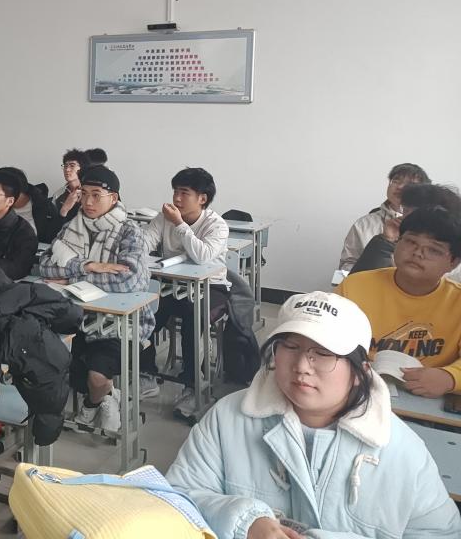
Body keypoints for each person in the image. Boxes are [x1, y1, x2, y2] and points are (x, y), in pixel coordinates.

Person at [167, 291, 460, 539]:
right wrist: (243, 522)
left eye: (323, 353)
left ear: (360, 372)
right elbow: (177, 498)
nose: (302, 366)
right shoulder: (227, 419)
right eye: (291, 347)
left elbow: (441, 534)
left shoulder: (401, 451)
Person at [38, 165, 151, 434]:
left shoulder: (129, 231)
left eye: (96, 195)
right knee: (54, 364)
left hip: (118, 323)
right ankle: (107, 396)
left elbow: (129, 280)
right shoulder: (73, 227)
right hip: (74, 317)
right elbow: (45, 266)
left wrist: (72, 277)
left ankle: (94, 402)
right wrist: (88, 266)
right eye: (84, 194)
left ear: (114, 198)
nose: (88, 202)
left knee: (97, 376)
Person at [341, 206, 461, 398]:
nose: (418, 253)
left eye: (434, 250)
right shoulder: (354, 286)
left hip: (428, 399)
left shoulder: (457, 301)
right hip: (359, 389)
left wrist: (450, 378)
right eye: (411, 242)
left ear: (453, 262)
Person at [139, 167, 230, 418]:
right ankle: (146, 374)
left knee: (192, 317)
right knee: (143, 314)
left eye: (184, 193)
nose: (177, 198)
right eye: (175, 192)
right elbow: (144, 243)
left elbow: (202, 256)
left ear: (202, 198)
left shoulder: (216, 225)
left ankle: (192, 384)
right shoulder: (164, 217)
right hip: (171, 284)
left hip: (211, 287)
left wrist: (179, 224)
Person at [349, 182, 461, 276]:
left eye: (413, 212)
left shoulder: (453, 248)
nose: (404, 217)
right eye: (405, 210)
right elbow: (359, 279)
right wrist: (386, 240)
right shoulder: (396, 235)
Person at [338, 163, 430, 272]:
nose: (400, 187)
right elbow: (346, 266)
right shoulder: (363, 224)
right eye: (396, 181)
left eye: (410, 184)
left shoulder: (430, 226)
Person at [51, 148, 90, 226]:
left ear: (82, 168)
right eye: (65, 166)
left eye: (72, 166)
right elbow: (53, 223)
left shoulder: (89, 192)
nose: (67, 169)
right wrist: (64, 209)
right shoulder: (58, 194)